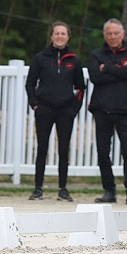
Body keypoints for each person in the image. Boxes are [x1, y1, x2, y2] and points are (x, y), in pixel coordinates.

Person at [25, 21, 86, 201]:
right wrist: (34, 103)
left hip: (66, 110)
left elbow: (81, 87)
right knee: (42, 149)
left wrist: (74, 108)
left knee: (63, 149)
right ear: (51, 36)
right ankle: (38, 188)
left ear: (68, 37)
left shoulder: (74, 60)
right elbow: (30, 83)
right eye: (57, 33)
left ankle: (63, 189)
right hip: (44, 109)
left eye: (63, 33)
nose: (60, 36)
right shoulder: (40, 58)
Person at [88, 18, 127, 205]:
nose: (113, 37)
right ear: (105, 35)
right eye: (109, 33)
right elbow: (95, 77)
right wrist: (121, 69)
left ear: (123, 34)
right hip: (101, 109)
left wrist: (107, 69)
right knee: (103, 152)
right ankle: (109, 190)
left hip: (125, 110)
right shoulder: (96, 54)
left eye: (116, 33)